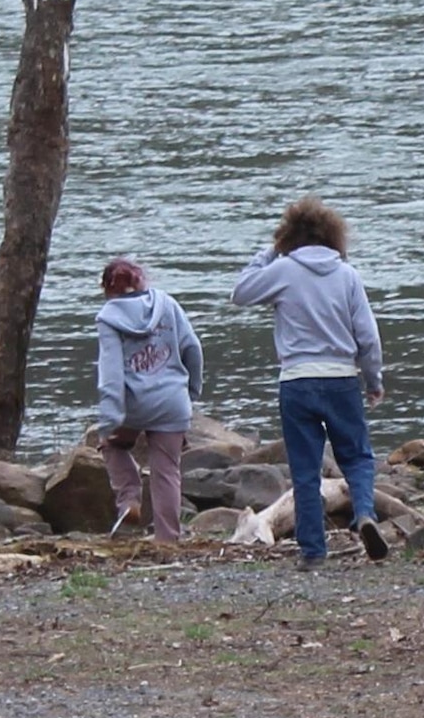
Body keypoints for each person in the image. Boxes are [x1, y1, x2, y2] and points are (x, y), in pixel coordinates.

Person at [230, 199, 390, 566]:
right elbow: (368, 336)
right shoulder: (347, 275)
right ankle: (364, 512)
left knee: (304, 469)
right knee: (358, 457)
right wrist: (373, 378)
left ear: (290, 235)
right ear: (334, 235)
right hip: (340, 379)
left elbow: (239, 293)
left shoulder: (283, 270)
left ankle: (313, 551)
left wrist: (270, 252)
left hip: (297, 381)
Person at [87, 255, 204, 540]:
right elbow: (193, 348)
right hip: (172, 402)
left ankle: (129, 499)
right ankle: (167, 540)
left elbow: (112, 373)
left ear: (107, 288)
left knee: (113, 445)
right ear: (142, 279)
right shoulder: (167, 304)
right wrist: (192, 391)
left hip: (133, 406)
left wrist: (110, 420)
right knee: (167, 473)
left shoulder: (108, 317)